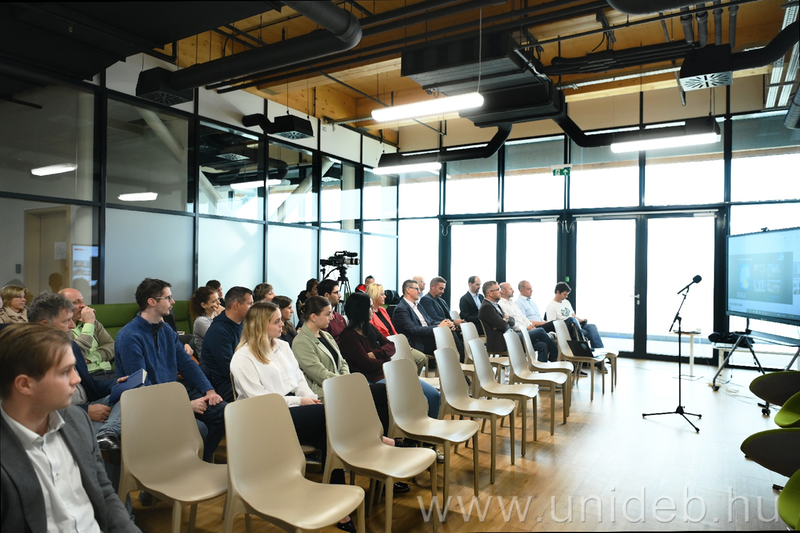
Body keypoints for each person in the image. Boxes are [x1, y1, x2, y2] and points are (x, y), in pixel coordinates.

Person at [0, 323, 141, 533]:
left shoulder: (77, 420)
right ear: (25, 384)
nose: (77, 379)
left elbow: (104, 493)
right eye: (65, 371)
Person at [115, 278, 226, 462]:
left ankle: (199, 463)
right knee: (200, 428)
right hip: (150, 406)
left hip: (173, 394)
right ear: (152, 301)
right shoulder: (129, 336)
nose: (173, 302)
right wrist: (184, 406)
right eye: (168, 298)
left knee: (224, 412)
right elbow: (140, 389)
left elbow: (187, 364)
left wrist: (209, 390)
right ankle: (183, 466)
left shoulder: (165, 330)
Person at [27, 292, 127, 450]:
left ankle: (107, 433)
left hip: (88, 404)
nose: (72, 326)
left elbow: (88, 386)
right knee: (127, 435)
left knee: (131, 396)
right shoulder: (28, 358)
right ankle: (107, 436)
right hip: (64, 419)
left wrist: (117, 384)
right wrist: (85, 411)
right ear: (45, 325)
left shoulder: (71, 346)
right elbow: (36, 408)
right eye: (66, 321)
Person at [339, 292, 441, 419]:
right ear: (360, 310)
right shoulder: (349, 336)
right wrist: (386, 359)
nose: (373, 310)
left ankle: (429, 428)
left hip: (389, 372)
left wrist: (377, 353)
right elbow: (367, 364)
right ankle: (417, 430)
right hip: (374, 378)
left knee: (434, 395)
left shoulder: (369, 328)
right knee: (421, 399)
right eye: (370, 307)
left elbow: (391, 345)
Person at [200, 286, 253, 403]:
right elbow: (229, 369)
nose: (252, 308)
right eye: (249, 304)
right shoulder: (219, 331)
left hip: (242, 380)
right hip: (226, 387)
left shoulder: (243, 324)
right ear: (236, 305)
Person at [59, 287, 118, 382]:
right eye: (76, 302)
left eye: (82, 301)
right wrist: (89, 323)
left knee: (139, 383)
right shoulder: (63, 328)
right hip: (89, 377)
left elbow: (111, 345)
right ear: (62, 307)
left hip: (109, 372)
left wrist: (91, 359)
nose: (83, 305)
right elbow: (76, 354)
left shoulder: (93, 321)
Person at [392, 279, 461, 360]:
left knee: (448, 330)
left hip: (426, 337)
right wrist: (438, 327)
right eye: (417, 289)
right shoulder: (401, 309)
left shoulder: (418, 306)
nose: (419, 292)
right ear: (408, 290)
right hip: (417, 341)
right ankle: (460, 360)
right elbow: (413, 330)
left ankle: (456, 361)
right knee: (447, 335)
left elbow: (430, 321)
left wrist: (445, 323)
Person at [366, 283, 426, 374]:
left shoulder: (383, 310)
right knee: (414, 362)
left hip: (395, 342)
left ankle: (410, 380)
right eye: (382, 294)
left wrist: (402, 343)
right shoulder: (369, 315)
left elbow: (393, 330)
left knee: (421, 358)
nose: (385, 296)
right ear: (375, 296)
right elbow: (376, 337)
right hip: (385, 346)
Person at [497, 282, 558, 362]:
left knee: (543, 345)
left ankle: (542, 368)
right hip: (516, 333)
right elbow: (511, 323)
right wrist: (526, 327)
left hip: (525, 330)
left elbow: (523, 317)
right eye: (511, 289)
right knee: (541, 331)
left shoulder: (512, 303)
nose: (513, 291)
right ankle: (556, 353)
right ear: (503, 291)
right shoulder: (501, 305)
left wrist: (530, 325)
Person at [545, 282, 605, 349]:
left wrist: (581, 320)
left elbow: (573, 316)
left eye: (567, 294)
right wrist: (573, 324)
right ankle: (585, 348)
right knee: (573, 321)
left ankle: (599, 350)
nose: (566, 296)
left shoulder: (566, 302)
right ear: (558, 292)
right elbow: (552, 325)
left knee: (592, 327)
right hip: (567, 328)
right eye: (564, 294)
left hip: (575, 324)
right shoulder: (551, 307)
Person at [478, 281, 515, 354]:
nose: (500, 291)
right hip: (501, 341)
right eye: (498, 289)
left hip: (508, 336)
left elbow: (513, 321)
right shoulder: (486, 307)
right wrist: (504, 321)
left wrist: (505, 320)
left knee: (538, 344)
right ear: (490, 293)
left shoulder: (496, 305)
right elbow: (503, 325)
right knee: (537, 333)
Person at [188, 286, 221, 355]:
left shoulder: (216, 315)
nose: (219, 303)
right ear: (204, 305)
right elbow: (219, 339)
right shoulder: (201, 321)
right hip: (208, 359)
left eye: (218, 299)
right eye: (214, 301)